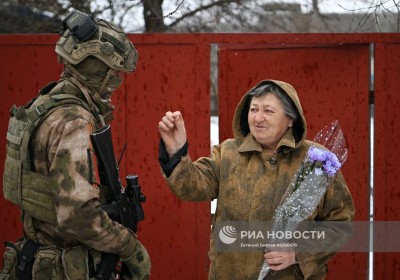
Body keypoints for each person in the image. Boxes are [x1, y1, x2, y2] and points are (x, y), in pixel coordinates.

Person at [1, 10, 150, 280]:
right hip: (62, 267)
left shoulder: (44, 105)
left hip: (33, 258)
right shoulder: (75, 120)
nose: (116, 82)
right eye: (114, 72)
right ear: (96, 67)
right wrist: (130, 247)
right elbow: (79, 216)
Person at [158, 79, 355, 279]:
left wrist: (299, 252)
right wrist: (176, 152)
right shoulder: (228, 153)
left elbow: (340, 224)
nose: (258, 118)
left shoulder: (316, 160)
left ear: (290, 119)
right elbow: (191, 186)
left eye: (268, 111)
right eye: (253, 109)